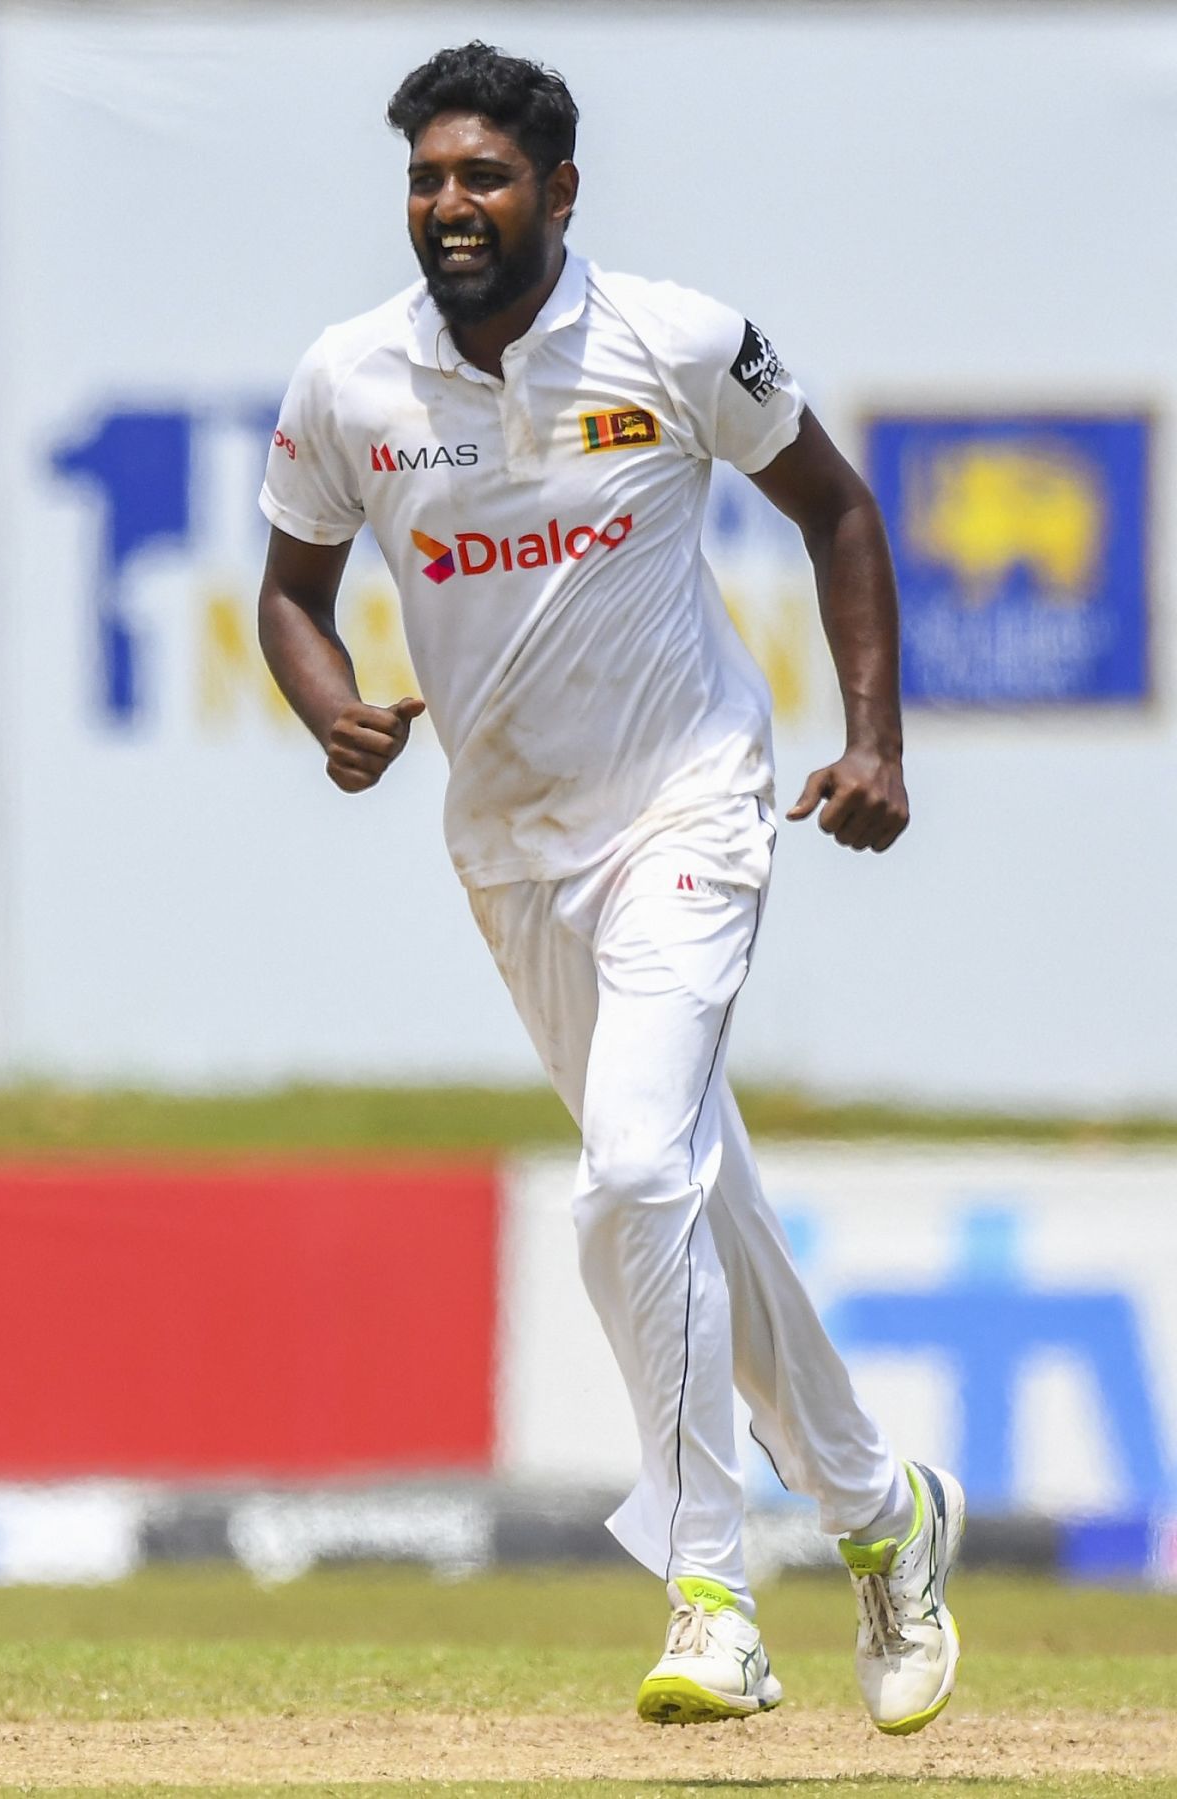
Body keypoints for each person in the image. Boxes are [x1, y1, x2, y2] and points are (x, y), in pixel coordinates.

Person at [257, 41, 964, 1737]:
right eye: (428, 179)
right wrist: (331, 705)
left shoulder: (679, 340)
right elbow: (288, 588)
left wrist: (871, 740)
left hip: (692, 811)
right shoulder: (352, 381)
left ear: (559, 193)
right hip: (510, 851)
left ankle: (711, 1592)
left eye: (484, 176)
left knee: (633, 1166)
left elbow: (843, 516)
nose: (450, 207)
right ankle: (883, 1515)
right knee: (688, 1198)